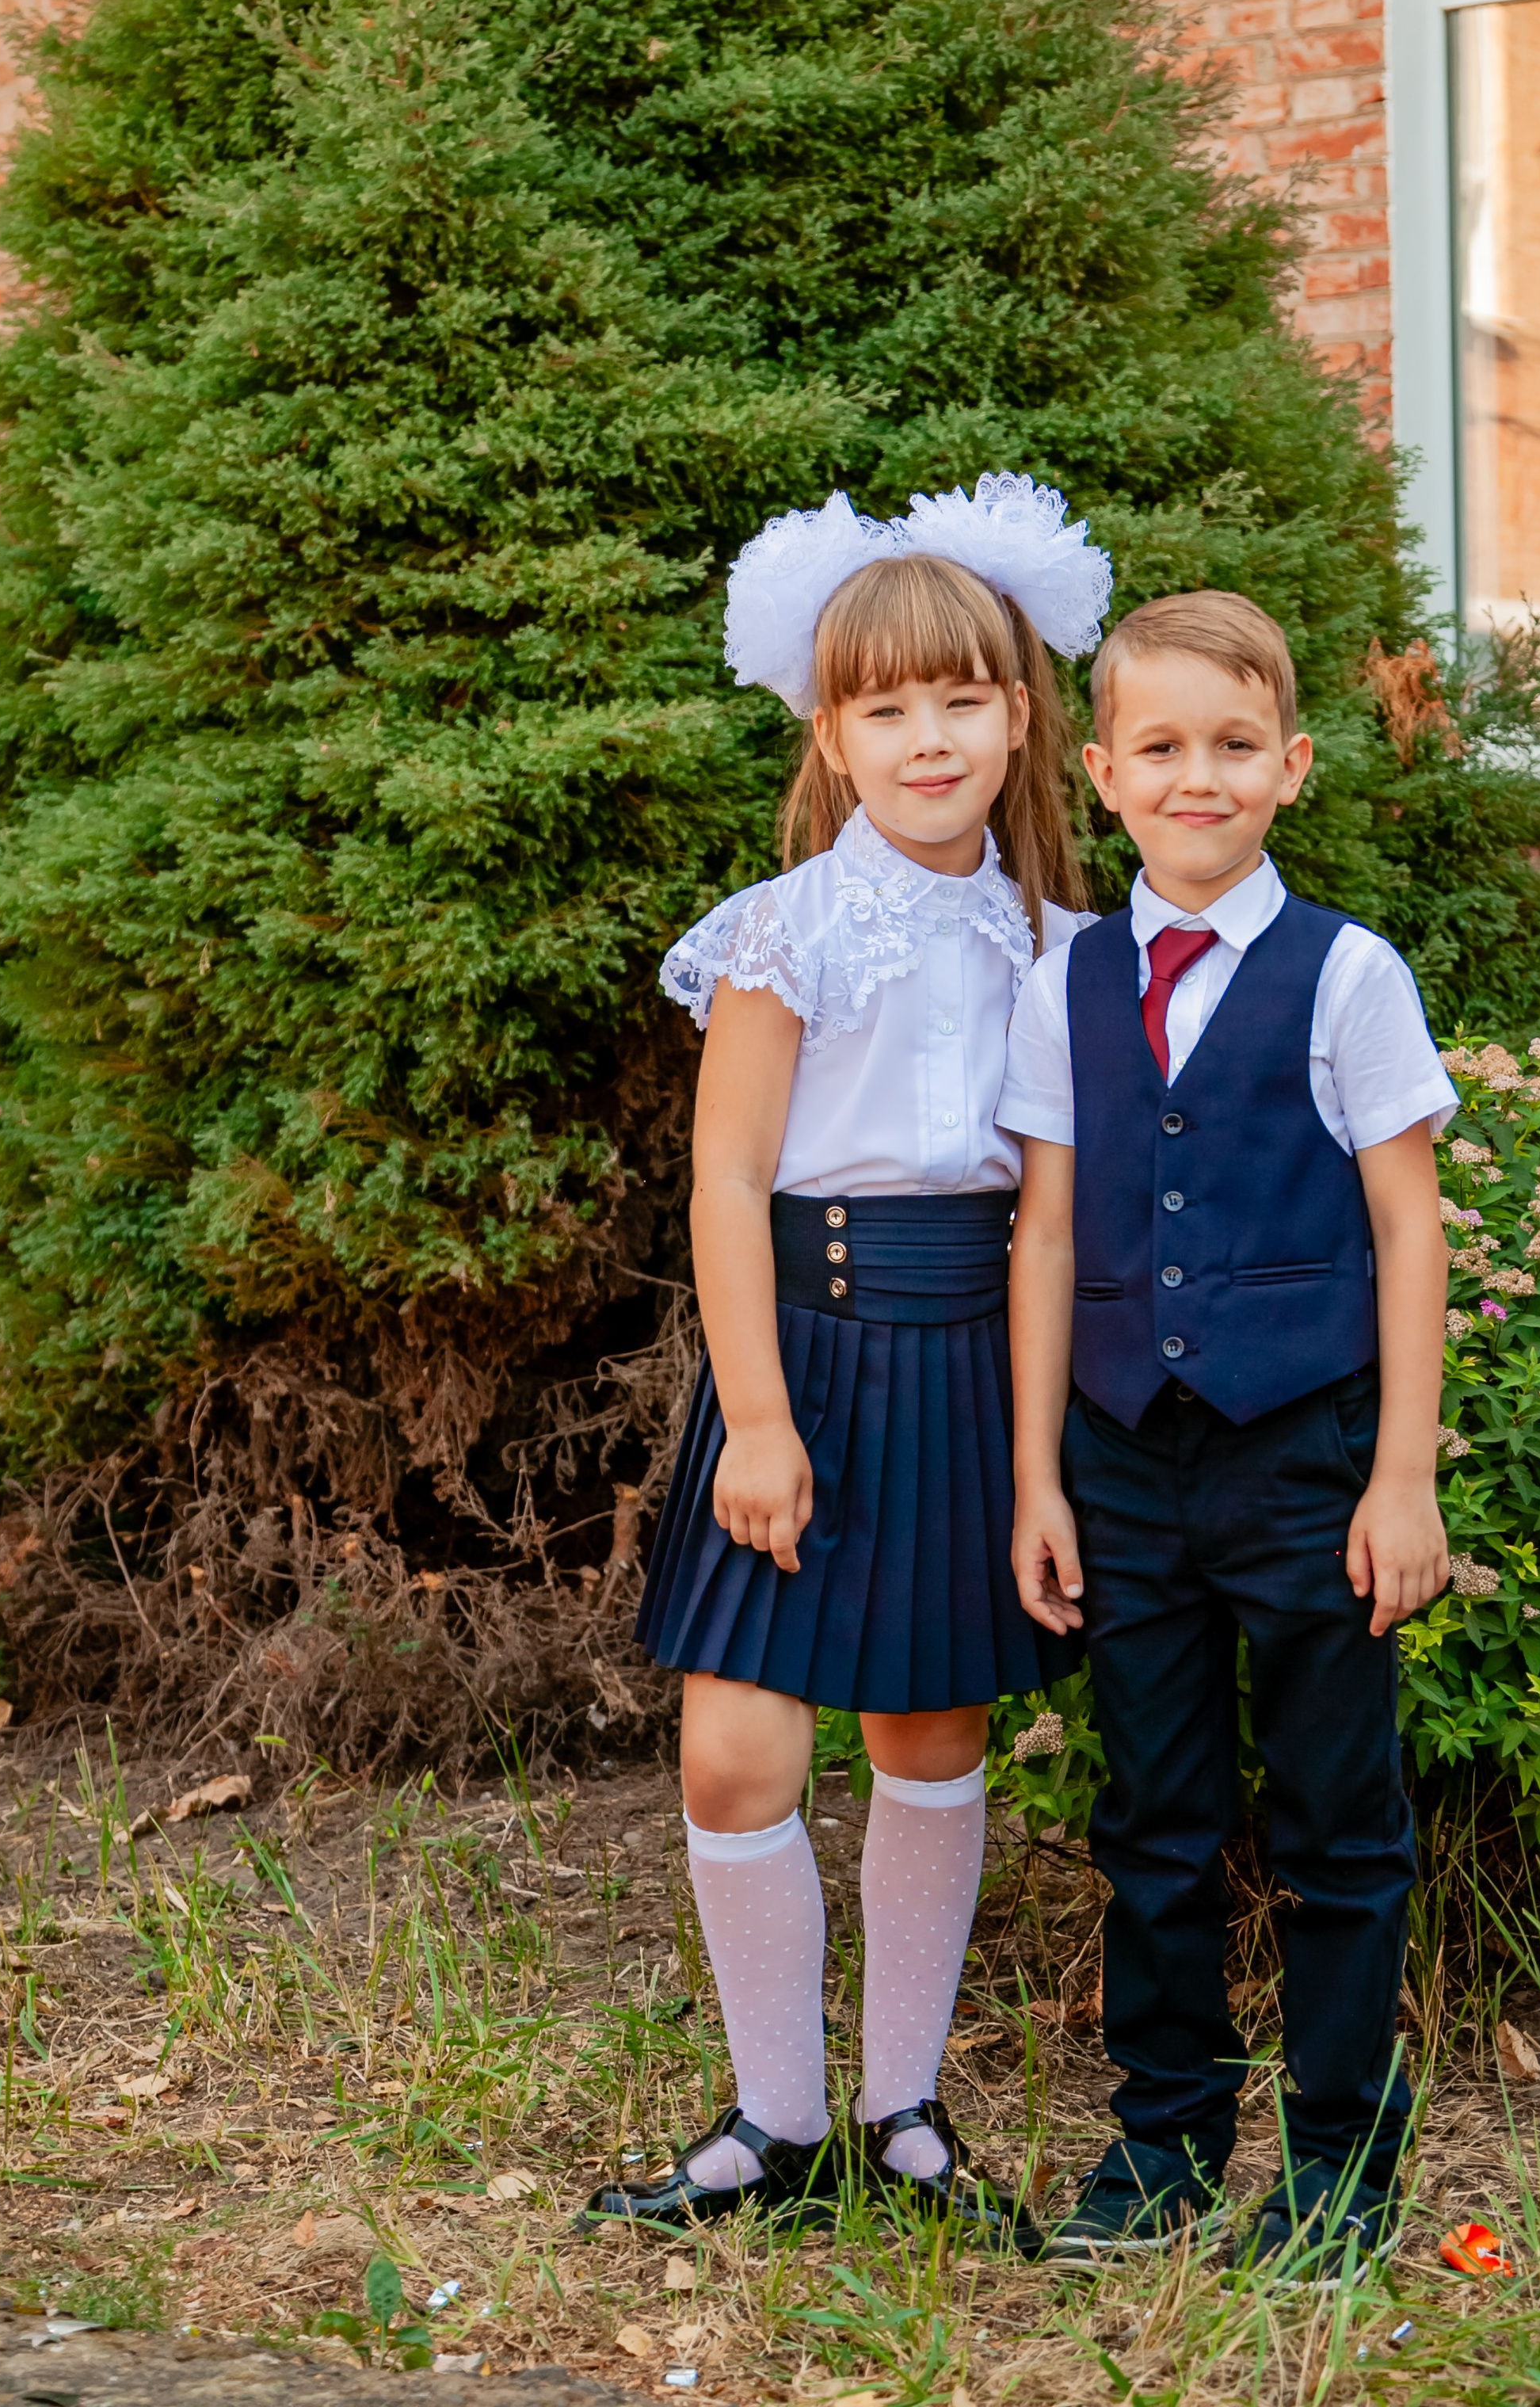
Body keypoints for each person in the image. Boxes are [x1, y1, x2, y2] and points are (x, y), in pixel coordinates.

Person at [585, 477, 1108, 2241]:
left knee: (924, 1729)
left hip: (960, 1358)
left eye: (960, 698)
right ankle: (770, 2121)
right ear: (832, 731)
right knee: (735, 1747)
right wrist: (752, 1416)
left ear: (1018, 714)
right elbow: (726, 1176)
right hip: (796, 1352)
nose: (927, 735)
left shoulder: (1058, 949)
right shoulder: (780, 927)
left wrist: (1040, 1459)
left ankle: (900, 2114)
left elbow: (1049, 1219)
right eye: (885, 707)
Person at [1000, 589, 1454, 2269]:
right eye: (1163, 748)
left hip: (1303, 1458)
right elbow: (1042, 1233)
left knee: (1338, 1820)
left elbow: (1407, 1227)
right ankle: (1162, 2144)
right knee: (1153, 1820)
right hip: (1119, 1456)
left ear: (1290, 766)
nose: (1199, 778)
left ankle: (1338, 2163)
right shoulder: (1065, 978)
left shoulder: (1347, 974)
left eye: (1234, 747)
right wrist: (1039, 1471)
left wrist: (1398, 1475)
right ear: (1105, 770)